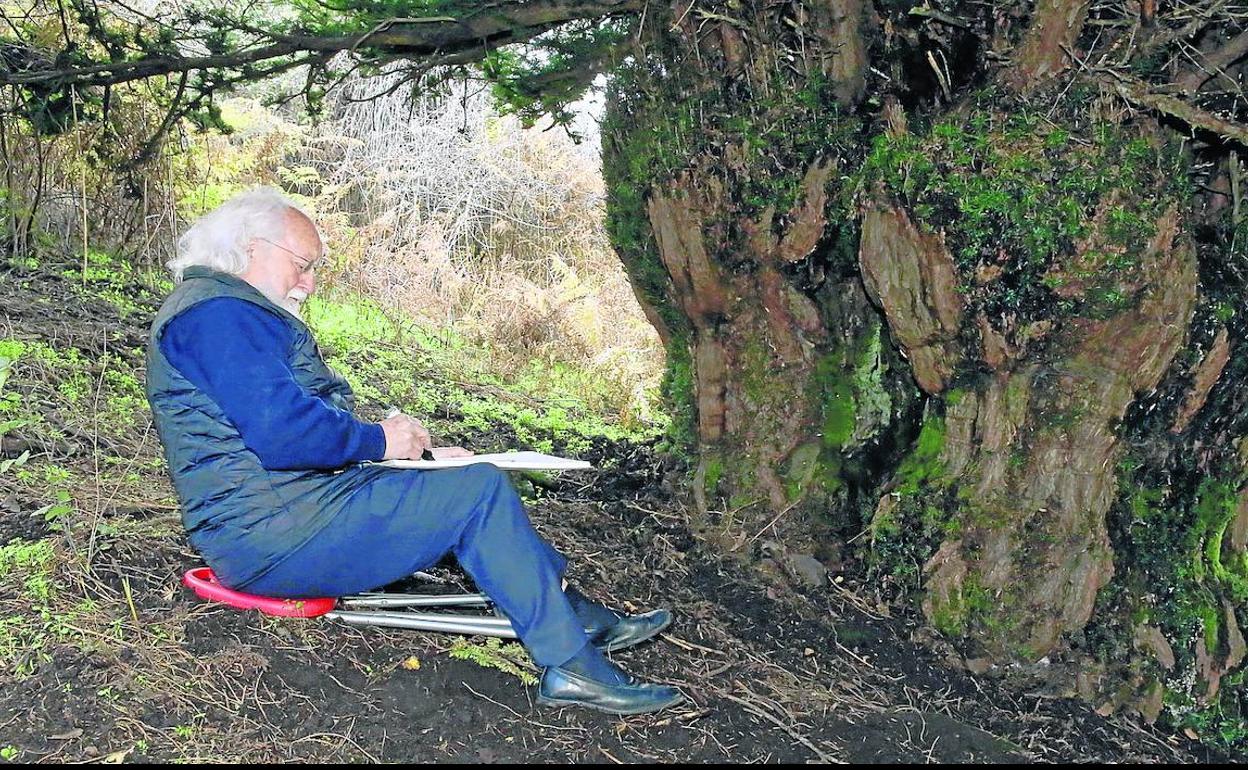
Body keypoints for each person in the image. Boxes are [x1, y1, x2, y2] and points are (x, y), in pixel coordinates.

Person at [145, 187, 684, 715]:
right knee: (478, 492)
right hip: (272, 538)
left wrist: (410, 460)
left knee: (471, 478)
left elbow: (283, 432)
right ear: (252, 247)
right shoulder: (217, 317)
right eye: (303, 264)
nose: (308, 283)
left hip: (294, 512)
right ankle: (571, 663)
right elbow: (283, 433)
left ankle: (571, 617)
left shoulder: (224, 313)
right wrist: (379, 439)